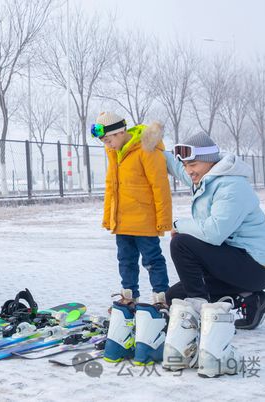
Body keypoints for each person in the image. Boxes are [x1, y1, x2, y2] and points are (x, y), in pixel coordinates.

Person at [163, 132, 265, 330]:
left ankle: (199, 307)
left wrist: (177, 224)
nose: (188, 171)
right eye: (186, 166)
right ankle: (253, 299)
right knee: (173, 297)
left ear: (209, 161)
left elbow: (215, 232)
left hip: (255, 266)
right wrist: (149, 145)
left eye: (193, 165)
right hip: (233, 262)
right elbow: (176, 166)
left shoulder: (231, 185)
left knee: (181, 242)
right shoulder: (207, 178)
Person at [92, 112, 173, 365]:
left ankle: (160, 300)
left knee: (152, 260)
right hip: (122, 223)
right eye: (104, 142)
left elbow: (160, 186)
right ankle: (129, 297)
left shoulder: (146, 150)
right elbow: (110, 188)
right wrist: (109, 218)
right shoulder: (114, 154)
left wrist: (164, 220)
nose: (107, 145)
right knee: (125, 260)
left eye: (108, 140)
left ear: (119, 132)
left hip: (145, 222)